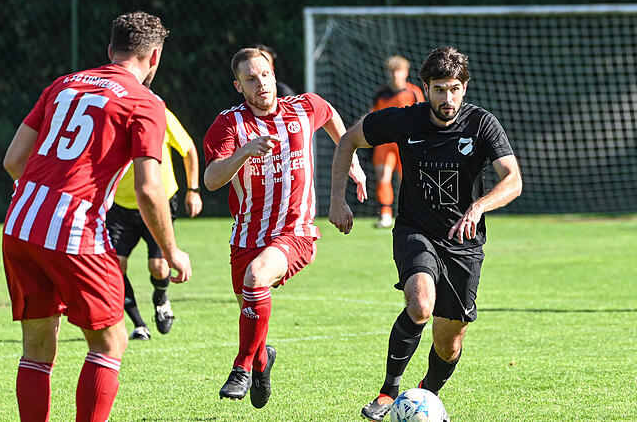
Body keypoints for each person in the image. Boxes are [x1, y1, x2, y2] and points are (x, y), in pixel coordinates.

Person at [1, 11, 192, 422]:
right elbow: (148, 189)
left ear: (110, 50)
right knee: (109, 343)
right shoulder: (146, 102)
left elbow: (13, 160)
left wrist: (45, 194)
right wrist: (170, 249)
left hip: (19, 222)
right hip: (72, 230)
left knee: (36, 348)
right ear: (154, 57)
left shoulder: (63, 84)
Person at [328, 46, 522, 421]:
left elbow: (513, 180)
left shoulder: (482, 124)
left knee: (449, 342)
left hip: (463, 243)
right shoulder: (405, 120)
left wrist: (479, 206)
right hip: (416, 231)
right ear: (425, 88)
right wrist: (338, 199)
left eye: (453, 89)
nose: (446, 99)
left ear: (464, 88)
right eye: (438, 89)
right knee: (420, 304)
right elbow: (348, 139)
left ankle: (426, 396)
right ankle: (389, 391)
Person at [203, 47, 367, 409]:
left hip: (296, 232)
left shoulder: (303, 107)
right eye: (250, 78)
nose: (260, 83)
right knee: (251, 313)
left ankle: (242, 367)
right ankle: (262, 360)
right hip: (246, 236)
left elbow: (330, 115)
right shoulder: (228, 124)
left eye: (265, 74)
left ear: (274, 75)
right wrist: (243, 152)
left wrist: (350, 159)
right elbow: (212, 179)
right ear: (238, 86)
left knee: (257, 277)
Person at [106, 106, 203, 341]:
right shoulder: (109, 117)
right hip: (121, 205)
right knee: (114, 267)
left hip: (158, 201)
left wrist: (193, 190)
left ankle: (161, 300)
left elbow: (188, 149)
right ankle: (139, 324)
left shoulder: (158, 112)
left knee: (159, 267)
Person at [369, 55, 425, 229]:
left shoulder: (414, 92)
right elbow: (373, 117)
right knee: (383, 176)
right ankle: (385, 215)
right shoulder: (381, 94)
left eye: (398, 71)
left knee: (408, 179)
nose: (395, 75)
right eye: (392, 71)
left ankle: (409, 214)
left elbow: (422, 117)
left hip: (407, 144)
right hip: (385, 143)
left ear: (406, 72)